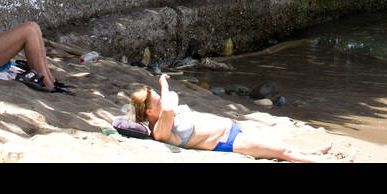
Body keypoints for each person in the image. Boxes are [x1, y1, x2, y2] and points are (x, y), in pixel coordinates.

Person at [131, 74, 334, 162]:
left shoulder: (166, 111)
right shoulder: (160, 131)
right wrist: (163, 85)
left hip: (230, 130)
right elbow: (168, 106)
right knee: (282, 151)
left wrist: (164, 93)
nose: (162, 101)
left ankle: (312, 153)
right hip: (227, 141)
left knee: (279, 146)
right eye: (157, 101)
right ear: (149, 112)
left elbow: (171, 100)